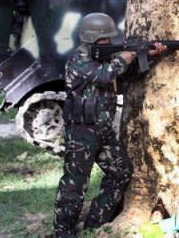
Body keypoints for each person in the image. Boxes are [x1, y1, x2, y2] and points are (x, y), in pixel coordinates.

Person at [54, 12, 166, 237]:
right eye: (106, 40)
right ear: (94, 39)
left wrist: (148, 55)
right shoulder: (79, 60)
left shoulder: (107, 59)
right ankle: (62, 230)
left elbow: (127, 77)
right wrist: (127, 54)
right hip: (81, 132)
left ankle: (95, 222)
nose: (110, 43)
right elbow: (104, 76)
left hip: (103, 132)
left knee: (121, 173)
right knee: (75, 183)